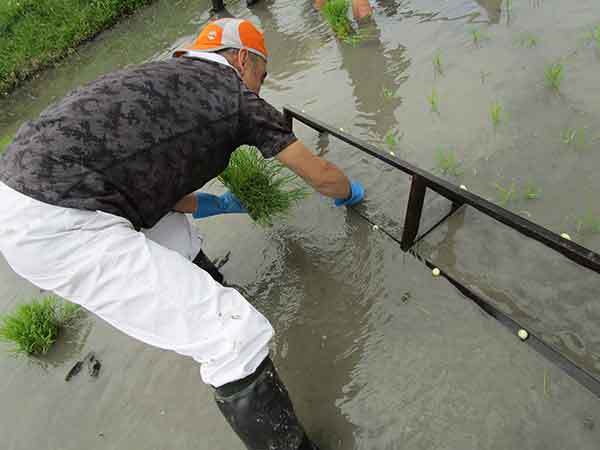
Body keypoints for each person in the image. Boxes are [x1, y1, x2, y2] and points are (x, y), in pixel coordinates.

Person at [0, 17, 364, 450]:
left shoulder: (162, 75)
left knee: (177, 238)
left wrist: (217, 204)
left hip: (22, 183)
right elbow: (320, 175)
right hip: (58, 224)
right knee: (233, 335)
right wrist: (350, 194)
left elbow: (149, 182)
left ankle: (205, 286)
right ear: (242, 59)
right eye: (262, 76)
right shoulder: (238, 98)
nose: (260, 88)